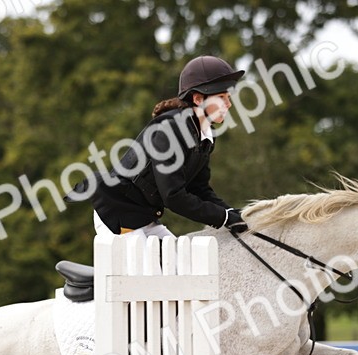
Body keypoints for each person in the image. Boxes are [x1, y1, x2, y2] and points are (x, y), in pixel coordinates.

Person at [71, 55, 249, 239]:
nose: (228, 104)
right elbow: (173, 196)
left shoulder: (204, 136)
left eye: (228, 97)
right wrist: (223, 218)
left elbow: (200, 189)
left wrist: (232, 213)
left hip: (144, 216)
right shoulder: (170, 130)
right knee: (153, 267)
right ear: (198, 98)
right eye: (221, 97)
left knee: (181, 264)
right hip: (118, 211)